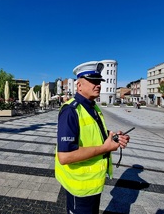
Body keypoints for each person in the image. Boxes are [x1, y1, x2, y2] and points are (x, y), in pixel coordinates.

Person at [55, 61, 130, 214]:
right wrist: (105, 148)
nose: (98, 85)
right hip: (80, 187)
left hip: (93, 184)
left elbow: (94, 133)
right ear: (79, 85)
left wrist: (113, 137)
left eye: (99, 81)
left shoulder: (93, 107)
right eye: (93, 81)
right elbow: (64, 156)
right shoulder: (71, 111)